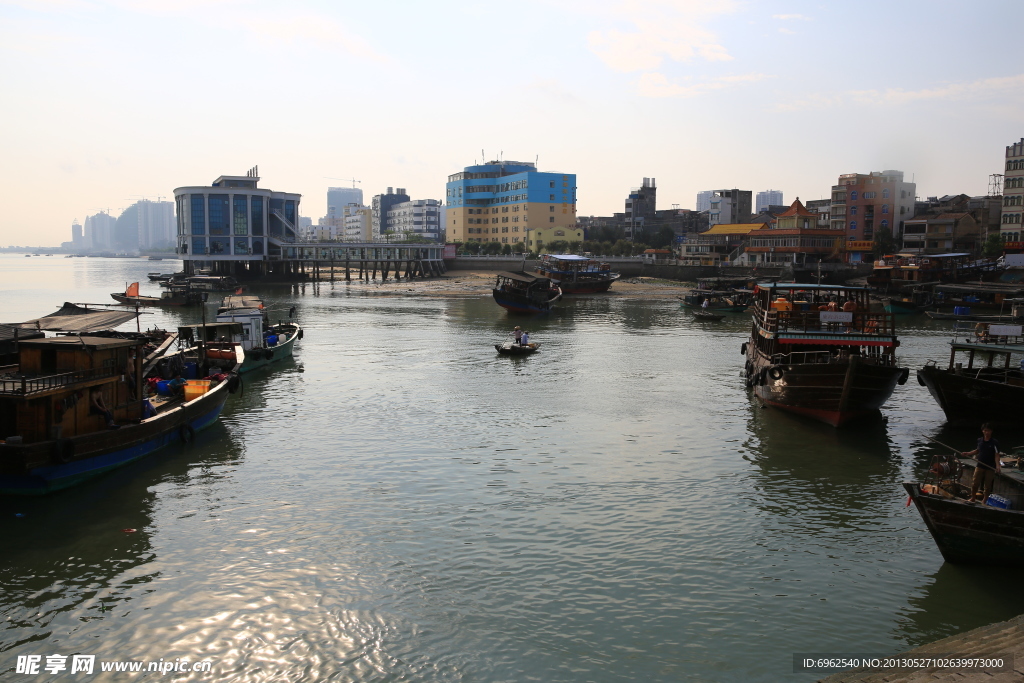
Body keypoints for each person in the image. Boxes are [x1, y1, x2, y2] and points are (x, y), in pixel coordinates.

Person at [964, 423, 1003, 503]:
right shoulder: (980, 440)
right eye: (985, 430)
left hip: (990, 466)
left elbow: (996, 455)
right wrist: (968, 453)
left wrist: (998, 466)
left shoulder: (994, 442)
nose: (986, 432)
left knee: (987, 485)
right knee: (975, 483)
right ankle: (973, 497)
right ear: (982, 431)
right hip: (980, 465)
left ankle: (984, 500)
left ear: (991, 431)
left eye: (988, 431)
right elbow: (978, 450)